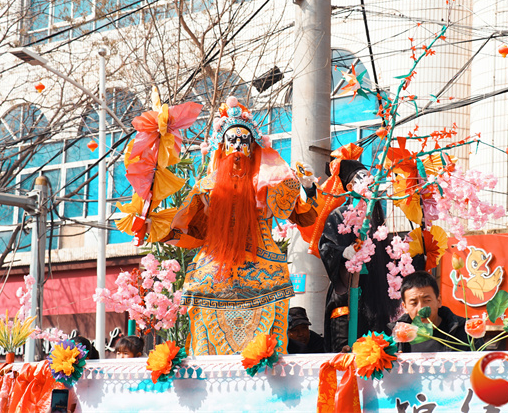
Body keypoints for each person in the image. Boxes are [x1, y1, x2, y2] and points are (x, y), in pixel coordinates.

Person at [162, 96, 313, 356]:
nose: (238, 146)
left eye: (244, 141)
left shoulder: (269, 181)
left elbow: (301, 216)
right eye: (232, 140)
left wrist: (307, 188)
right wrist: (155, 225)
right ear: (222, 146)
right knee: (200, 287)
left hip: (263, 264)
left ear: (253, 146)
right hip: (215, 266)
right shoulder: (207, 185)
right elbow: (189, 226)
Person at [318, 159, 401, 352]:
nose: (369, 182)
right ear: (349, 187)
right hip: (348, 295)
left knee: (377, 349)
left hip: (375, 292)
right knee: (347, 350)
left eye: (371, 179)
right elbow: (326, 246)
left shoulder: (376, 218)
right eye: (362, 178)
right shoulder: (340, 214)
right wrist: (344, 253)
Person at [392, 271, 473, 352]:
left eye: (427, 300)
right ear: (405, 307)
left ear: (439, 301)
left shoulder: (467, 331)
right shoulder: (398, 338)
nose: (421, 309)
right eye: (414, 303)